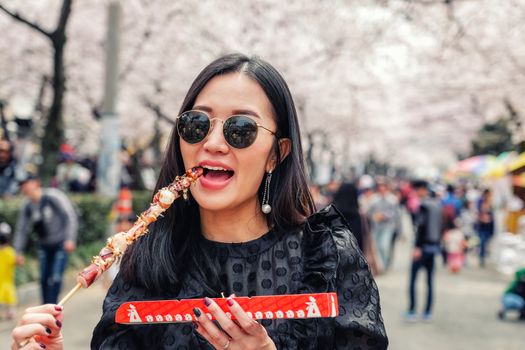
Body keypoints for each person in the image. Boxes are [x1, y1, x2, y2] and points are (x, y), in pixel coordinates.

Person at [11, 54, 388, 350]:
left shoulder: (325, 256)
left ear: (277, 153)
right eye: (196, 124)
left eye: (241, 129)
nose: (213, 143)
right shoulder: (146, 259)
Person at [12, 174, 78, 305]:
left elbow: (70, 216)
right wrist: (17, 251)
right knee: (43, 278)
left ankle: (53, 307)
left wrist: (70, 239)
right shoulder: (27, 206)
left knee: (55, 277)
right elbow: (22, 230)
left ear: (36, 183)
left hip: (60, 243)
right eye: (23, 185)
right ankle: (45, 306)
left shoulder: (53, 197)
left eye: (27, 183)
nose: (25, 187)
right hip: (44, 245)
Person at [405, 179, 442, 322]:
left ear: (423, 189)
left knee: (413, 279)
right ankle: (427, 312)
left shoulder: (424, 206)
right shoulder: (437, 205)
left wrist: (417, 247)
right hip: (434, 247)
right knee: (429, 281)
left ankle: (412, 310)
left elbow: (421, 227)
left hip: (423, 247)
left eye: (417, 189)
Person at [332, 182, 381, 275]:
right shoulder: (360, 217)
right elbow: (363, 240)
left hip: (333, 264)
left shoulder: (330, 215)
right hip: (355, 266)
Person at [367, 178, 398, 271]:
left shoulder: (392, 199)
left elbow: (395, 213)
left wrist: (384, 216)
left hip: (388, 226)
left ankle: (385, 264)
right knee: (377, 246)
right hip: (376, 226)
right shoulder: (373, 199)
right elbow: (369, 213)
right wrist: (374, 217)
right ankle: (381, 264)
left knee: (384, 245)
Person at [0, 222, 17, 320]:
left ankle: (8, 312)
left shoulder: (10, 252)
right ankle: (10, 312)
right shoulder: (10, 251)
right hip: (7, 279)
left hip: (5, 278)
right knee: (9, 295)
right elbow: (15, 262)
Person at [476, 189, 495, 267]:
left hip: (488, 227)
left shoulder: (491, 205)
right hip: (482, 226)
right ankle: (481, 257)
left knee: (485, 242)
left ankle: (482, 256)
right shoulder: (481, 203)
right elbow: (478, 214)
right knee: (482, 242)